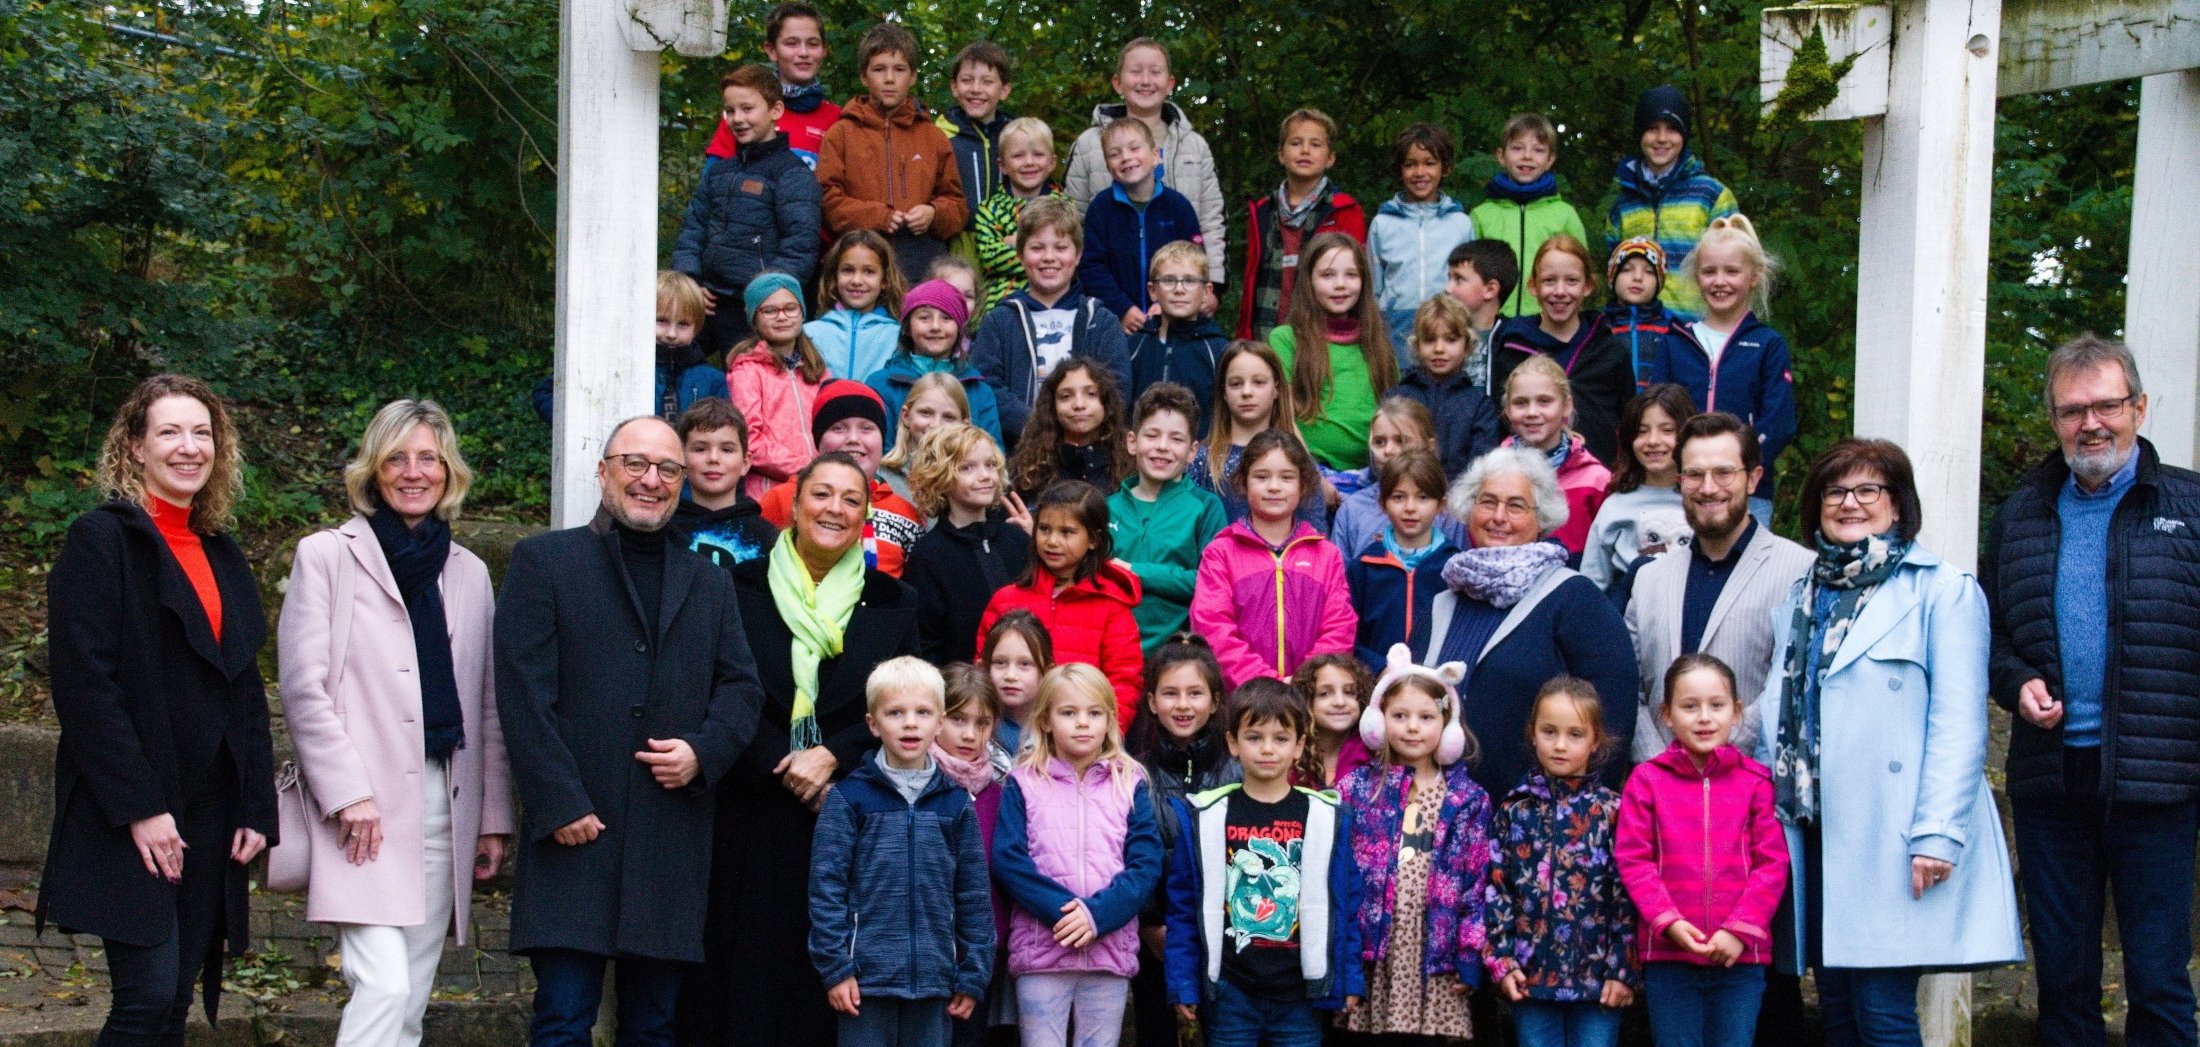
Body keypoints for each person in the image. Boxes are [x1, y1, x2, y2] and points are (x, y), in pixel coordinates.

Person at [495, 415, 764, 1046]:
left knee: (655, 1026)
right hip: (573, 833)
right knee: (563, 1019)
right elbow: (521, 692)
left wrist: (703, 751)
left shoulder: (710, 580)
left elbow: (742, 687)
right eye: (635, 464)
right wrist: (559, 801)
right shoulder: (544, 561)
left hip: (668, 833)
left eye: (668, 469)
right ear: (604, 471)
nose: (651, 480)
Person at [1759, 438, 2024, 1046]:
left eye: (1867, 490)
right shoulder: (1802, 595)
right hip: (1816, 829)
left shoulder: (1945, 590)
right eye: (1834, 491)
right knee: (1840, 1012)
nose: (1849, 503)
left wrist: (1937, 832)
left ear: (1898, 504)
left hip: (1894, 830)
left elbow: (1959, 723)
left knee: (1882, 1011)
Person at [41, 374, 277, 1045]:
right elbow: (86, 688)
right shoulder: (99, 541)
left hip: (211, 812)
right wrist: (142, 808)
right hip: (133, 809)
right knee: (145, 998)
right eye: (169, 431)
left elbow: (244, 692)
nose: (188, 447)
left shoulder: (223, 552)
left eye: (202, 432)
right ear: (135, 448)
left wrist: (258, 803)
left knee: (174, 1000)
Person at [1984, 333, 2200, 1047]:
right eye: (2072, 410)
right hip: (2052, 782)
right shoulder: (2020, 514)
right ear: (2053, 420)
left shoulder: (2191, 508)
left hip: (2158, 779)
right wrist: (2016, 683)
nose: (2091, 423)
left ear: (2138, 406)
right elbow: (1992, 639)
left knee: (2161, 982)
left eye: (2106, 404)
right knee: (2065, 982)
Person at [279, 399, 512, 1047]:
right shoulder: (327, 555)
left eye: (428, 458)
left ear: (449, 470)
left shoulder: (469, 572)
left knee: (407, 998)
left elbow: (486, 704)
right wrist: (346, 792)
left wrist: (492, 814)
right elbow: (304, 688)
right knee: (381, 984)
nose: (414, 472)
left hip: (445, 808)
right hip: (360, 811)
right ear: (373, 469)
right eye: (397, 458)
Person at [685, 451, 922, 1047]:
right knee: (740, 973)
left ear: (866, 515)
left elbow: (905, 700)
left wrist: (833, 758)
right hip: (749, 804)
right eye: (822, 494)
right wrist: (787, 765)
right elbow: (715, 688)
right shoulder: (736, 587)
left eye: (850, 499)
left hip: (845, 811)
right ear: (794, 502)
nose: (834, 509)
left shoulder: (896, 603)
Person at [1161, 677, 1366, 1045]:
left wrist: (1349, 978)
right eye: (1254, 737)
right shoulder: (1207, 817)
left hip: (1299, 994)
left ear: (1300, 746)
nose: (1267, 749)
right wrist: (1183, 983)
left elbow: (1346, 905)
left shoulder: (1324, 816)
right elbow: (1183, 909)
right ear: (1233, 743)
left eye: (1281, 738)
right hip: (1230, 991)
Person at [1424, 444, 1636, 795]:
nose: (1498, 517)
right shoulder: (1442, 603)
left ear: (1543, 518)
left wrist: (1579, 812)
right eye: (1487, 502)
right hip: (1441, 819)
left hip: (1534, 828)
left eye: (1516, 505)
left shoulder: (1575, 599)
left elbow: (1613, 715)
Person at [808, 657, 994, 1047]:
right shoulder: (849, 799)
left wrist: (974, 972)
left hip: (935, 982)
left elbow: (974, 894)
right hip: (864, 984)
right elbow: (826, 888)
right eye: (895, 713)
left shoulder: (956, 804)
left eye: (923, 712)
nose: (910, 723)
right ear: (873, 724)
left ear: (939, 722)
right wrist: (836, 967)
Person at [1615, 654, 1789, 1047]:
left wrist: (1739, 931)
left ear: (1737, 713)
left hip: (1740, 959)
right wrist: (1669, 923)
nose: (1704, 717)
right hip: (1669, 958)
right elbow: (1634, 860)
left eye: (1717, 705)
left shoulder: (1756, 783)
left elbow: (1772, 865)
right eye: (1689, 706)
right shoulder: (1646, 782)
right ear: (1667, 715)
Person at [989, 663, 1166, 1047]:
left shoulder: (1129, 781)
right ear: (1047, 720)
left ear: (1110, 720)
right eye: (1069, 713)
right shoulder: (1023, 782)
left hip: (1108, 953)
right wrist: (1066, 912)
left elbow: (1145, 862)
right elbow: (1009, 859)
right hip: (1043, 952)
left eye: (1094, 713)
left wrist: (1098, 915)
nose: (1082, 723)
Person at [1626, 411, 1810, 761]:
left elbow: (1785, 686)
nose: (1708, 488)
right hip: (1658, 795)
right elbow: (1628, 685)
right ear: (1680, 481)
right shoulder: (1648, 579)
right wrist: (1662, 768)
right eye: (1695, 474)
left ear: (1753, 479)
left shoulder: (1798, 570)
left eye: (1724, 472)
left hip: (1751, 792)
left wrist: (1713, 759)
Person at [1335, 645, 1493, 1041]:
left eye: (1426, 717)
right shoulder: (1354, 790)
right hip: (1373, 954)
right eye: (1400, 716)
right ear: (1378, 721)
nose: (1412, 727)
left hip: (1435, 956)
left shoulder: (1467, 800)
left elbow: (1476, 885)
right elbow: (1336, 878)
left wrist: (1470, 954)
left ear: (1447, 724)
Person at [1484, 678, 1637, 1047]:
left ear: (1595, 740)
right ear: (1533, 734)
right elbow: (1496, 890)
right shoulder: (1513, 810)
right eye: (1549, 731)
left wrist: (1622, 970)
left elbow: (1627, 897)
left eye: (1575, 734)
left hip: (1597, 981)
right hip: (1531, 978)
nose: (1560, 744)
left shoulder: (1612, 811)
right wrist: (1502, 961)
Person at [1126, 638, 1237, 1047]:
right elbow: (1129, 857)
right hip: (1158, 937)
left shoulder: (1239, 772)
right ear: (1152, 702)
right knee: (1155, 1032)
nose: (1183, 705)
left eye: (1195, 693)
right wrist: (1150, 924)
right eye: (1170, 693)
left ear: (1214, 700)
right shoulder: (1133, 775)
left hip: (1228, 939)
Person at [1651, 214, 1796, 524]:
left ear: (1753, 276)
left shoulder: (1768, 344)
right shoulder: (1675, 342)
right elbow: (1658, 417)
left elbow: (1779, 421)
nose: (1719, 281)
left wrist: (1738, 470)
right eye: (1709, 272)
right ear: (1695, 277)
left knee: (1744, 568)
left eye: (1732, 271)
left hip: (1748, 494)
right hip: (1682, 490)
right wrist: (1680, 468)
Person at [672, 64, 822, 355]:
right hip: (708, 302)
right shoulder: (719, 172)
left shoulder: (793, 175)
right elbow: (693, 229)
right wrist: (690, 282)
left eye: (747, 109)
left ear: (776, 110)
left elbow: (800, 248)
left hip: (756, 310)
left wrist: (766, 297)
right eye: (730, 111)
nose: (737, 119)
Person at [1190, 429, 1357, 690]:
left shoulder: (1326, 555)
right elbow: (1213, 628)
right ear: (1243, 484)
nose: (1274, 486)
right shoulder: (1221, 553)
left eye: (1286, 477)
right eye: (1261, 476)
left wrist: (1304, 682)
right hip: (1242, 700)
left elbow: (1339, 627)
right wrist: (1265, 683)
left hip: (1307, 699)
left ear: (1303, 487)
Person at [1063, 38, 1227, 302]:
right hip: (1110, 296)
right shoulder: (1089, 144)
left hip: (1182, 293)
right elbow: (1071, 220)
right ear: (1117, 83)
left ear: (1170, 83)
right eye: (1135, 71)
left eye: (1155, 72)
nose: (1146, 80)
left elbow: (1211, 220)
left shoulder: (1194, 146)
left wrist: (1213, 284)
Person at [975, 481, 1145, 726]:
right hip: (1008, 734)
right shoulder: (1006, 599)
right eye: (1044, 529)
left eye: (1066, 532)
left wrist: (1107, 739)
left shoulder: (1112, 606)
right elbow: (983, 669)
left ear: (1094, 539)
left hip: (1082, 736)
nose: (1052, 541)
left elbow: (1124, 682)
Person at [967, 197, 1133, 443]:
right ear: (1021, 255)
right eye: (1037, 248)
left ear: (1078, 255)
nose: (1049, 257)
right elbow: (986, 385)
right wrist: (1037, 425)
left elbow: (1118, 388)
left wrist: (1074, 424)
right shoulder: (1000, 320)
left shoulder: (1101, 321)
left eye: (1060, 247)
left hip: (1088, 453)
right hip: (1018, 452)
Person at [818, 22, 967, 283]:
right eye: (879, 69)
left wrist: (933, 214)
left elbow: (956, 205)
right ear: (864, 77)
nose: (889, 79)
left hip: (921, 259)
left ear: (912, 77)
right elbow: (828, 201)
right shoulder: (841, 133)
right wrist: (879, 216)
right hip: (859, 258)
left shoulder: (933, 137)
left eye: (899, 70)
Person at [757, 380, 927, 577]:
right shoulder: (781, 499)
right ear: (818, 441)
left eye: (866, 428)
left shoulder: (906, 511)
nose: (853, 439)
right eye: (839, 428)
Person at [1107, 383, 1229, 655]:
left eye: (1176, 439)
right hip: (1114, 652)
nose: (1162, 447)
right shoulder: (1108, 508)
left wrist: (1135, 571)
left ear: (1192, 450)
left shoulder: (1206, 507)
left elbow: (1212, 583)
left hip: (1179, 656)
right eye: (1151, 435)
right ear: (1132, 442)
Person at [1490, 235, 1635, 464]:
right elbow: (1498, 421)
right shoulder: (1511, 349)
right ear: (1533, 286)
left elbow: (1628, 422)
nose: (1560, 291)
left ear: (1588, 286)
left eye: (1571, 281)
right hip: (1525, 478)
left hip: (1595, 480)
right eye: (1549, 281)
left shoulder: (1610, 350)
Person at [932, 663, 1017, 1047]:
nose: (969, 734)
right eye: (957, 719)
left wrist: (983, 957)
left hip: (980, 960)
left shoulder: (1000, 794)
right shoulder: (916, 785)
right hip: (921, 957)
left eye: (982, 723)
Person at [1268, 231, 1398, 471]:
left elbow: (1395, 413)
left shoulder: (1377, 341)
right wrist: (1311, 477)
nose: (1340, 284)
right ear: (1309, 281)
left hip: (1374, 471)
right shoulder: (1286, 339)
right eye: (1327, 275)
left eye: (1351, 275)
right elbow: (1282, 416)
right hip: (1309, 468)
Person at [1606, 84, 1739, 315]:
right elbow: (1613, 278)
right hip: (1637, 333)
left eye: (1672, 129)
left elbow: (1734, 270)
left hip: (1696, 332)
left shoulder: (1712, 196)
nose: (1661, 138)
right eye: (1652, 128)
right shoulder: (1622, 206)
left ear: (1684, 135)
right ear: (1640, 134)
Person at [904, 423, 1030, 665]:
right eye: (967, 468)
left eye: (990, 465)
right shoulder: (930, 555)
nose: (985, 475)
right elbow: (927, 643)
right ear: (940, 477)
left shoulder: (1016, 540)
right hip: (964, 692)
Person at [1239, 109, 1366, 339]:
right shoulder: (1262, 211)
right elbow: (1251, 282)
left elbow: (1356, 280)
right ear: (1280, 154)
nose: (1305, 150)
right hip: (1265, 334)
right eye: (1295, 143)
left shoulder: (1346, 211)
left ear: (1330, 158)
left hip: (1321, 337)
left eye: (1315, 144)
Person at [1079, 119, 1204, 335]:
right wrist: (1122, 308)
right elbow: (1092, 267)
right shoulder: (1100, 209)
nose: (1126, 157)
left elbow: (1195, 261)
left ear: (1156, 156)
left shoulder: (1177, 206)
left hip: (1173, 320)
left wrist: (1165, 303)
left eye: (1134, 148)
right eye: (1115, 154)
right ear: (1108, 166)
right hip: (1117, 324)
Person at [1189, 341, 1323, 528]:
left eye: (1258, 382)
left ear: (1276, 388)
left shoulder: (1297, 458)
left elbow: (1316, 534)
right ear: (1224, 392)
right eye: (1236, 384)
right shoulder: (1203, 459)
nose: (1246, 392)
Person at [1369, 122, 1476, 355]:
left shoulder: (1460, 223)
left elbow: (1470, 284)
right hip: (1396, 329)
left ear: (1444, 168)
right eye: (1410, 165)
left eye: (1429, 163)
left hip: (1447, 327)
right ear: (1400, 170)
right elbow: (1374, 287)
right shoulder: (1382, 224)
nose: (1420, 173)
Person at [1469, 112, 1590, 319]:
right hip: (1493, 323)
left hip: (1548, 321)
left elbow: (1580, 272)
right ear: (1501, 156)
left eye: (1538, 150)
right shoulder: (1481, 215)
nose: (1527, 156)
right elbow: (1468, 275)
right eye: (1517, 148)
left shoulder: (1564, 215)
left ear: (1550, 159)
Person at [1345, 450, 1456, 669]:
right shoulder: (1365, 566)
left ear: (1441, 505)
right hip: (1378, 684)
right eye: (1398, 497)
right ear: (1382, 504)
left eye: (1423, 497)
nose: (1410, 507)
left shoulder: (1453, 566)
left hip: (1434, 685)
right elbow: (1348, 636)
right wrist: (1379, 667)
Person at [1580, 383, 1695, 591]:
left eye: (1667, 430)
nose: (1652, 441)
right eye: (1642, 432)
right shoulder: (1615, 506)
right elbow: (1593, 583)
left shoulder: (1703, 500)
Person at [727, 271, 829, 500]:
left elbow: (832, 426)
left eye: (790, 308)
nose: (782, 317)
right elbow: (749, 438)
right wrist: (806, 467)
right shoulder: (747, 371)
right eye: (770, 310)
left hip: (819, 488)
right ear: (754, 318)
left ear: (802, 313)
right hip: (769, 492)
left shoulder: (818, 371)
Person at [1326, 396, 1467, 561]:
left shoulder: (1449, 511)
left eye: (1400, 441)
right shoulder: (1353, 509)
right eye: (1379, 442)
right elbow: (1339, 578)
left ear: (1429, 446)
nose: (1388, 451)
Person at [1500, 355, 1611, 559]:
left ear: (1566, 405)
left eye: (1544, 401)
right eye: (1521, 403)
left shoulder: (1596, 480)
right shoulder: (1493, 474)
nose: (1532, 412)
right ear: (1508, 410)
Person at [869, 278, 1002, 448]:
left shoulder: (979, 392)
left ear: (959, 328)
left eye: (946, 318)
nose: (935, 326)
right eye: (924, 318)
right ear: (908, 327)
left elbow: (992, 454)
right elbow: (879, 451)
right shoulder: (881, 385)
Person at [703, 3, 838, 171]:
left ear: (824, 50)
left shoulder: (838, 120)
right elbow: (709, 184)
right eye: (791, 43)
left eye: (813, 43)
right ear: (771, 50)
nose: (804, 52)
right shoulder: (742, 114)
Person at [1391, 293, 1503, 480]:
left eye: (1450, 340)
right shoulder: (1397, 399)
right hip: (1404, 494)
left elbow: (1482, 468)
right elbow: (1382, 456)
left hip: (1457, 501)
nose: (1439, 349)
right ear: (1417, 346)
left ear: (1467, 346)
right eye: (1429, 340)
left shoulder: (1480, 406)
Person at [1126, 241, 1230, 430]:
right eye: (1168, 280)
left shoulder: (1219, 351)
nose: (1179, 289)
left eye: (1190, 281)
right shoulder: (1133, 346)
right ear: (1152, 291)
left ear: (1207, 291)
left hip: (1199, 456)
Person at [670, 397, 780, 570]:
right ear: (681, 459)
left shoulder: (769, 538)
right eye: (700, 449)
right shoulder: (666, 529)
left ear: (745, 463)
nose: (713, 458)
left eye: (727, 450)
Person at [974, 117, 1070, 311]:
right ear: (1002, 165)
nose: (1029, 162)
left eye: (1038, 155)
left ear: (1052, 162)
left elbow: (1070, 255)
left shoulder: (1065, 206)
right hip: (1002, 304)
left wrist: (1017, 243)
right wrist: (1045, 251)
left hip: (1057, 302)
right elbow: (989, 258)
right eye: (1018, 156)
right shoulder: (990, 209)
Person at [1005, 359, 1134, 503]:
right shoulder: (1029, 471)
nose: (1079, 405)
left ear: (1106, 403)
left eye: (1091, 394)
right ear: (1052, 408)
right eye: (1066, 397)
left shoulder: (1128, 468)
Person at [934, 41, 1015, 243]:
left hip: (1008, 241)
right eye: (967, 80)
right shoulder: (940, 135)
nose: (976, 89)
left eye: (987, 82)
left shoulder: (1016, 135)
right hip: (957, 241)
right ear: (954, 87)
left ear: (1004, 90)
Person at [807, 229, 909, 385]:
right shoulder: (810, 334)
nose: (856, 280)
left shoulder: (898, 337)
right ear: (835, 276)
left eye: (869, 272)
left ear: (884, 281)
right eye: (848, 270)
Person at [1601, 237, 1686, 391]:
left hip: (1657, 411)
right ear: (1613, 278)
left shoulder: (1672, 329)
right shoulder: (1599, 328)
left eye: (1648, 271)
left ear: (1659, 282)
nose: (1638, 277)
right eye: (1627, 269)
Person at [1445, 239, 1519, 392]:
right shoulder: (1442, 336)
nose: (1447, 288)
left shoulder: (1514, 340)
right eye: (1449, 278)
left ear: (1490, 289)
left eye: (1459, 279)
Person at [1293, 653, 1374, 788]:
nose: (1340, 702)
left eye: (1349, 692)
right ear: (1306, 701)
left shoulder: (1374, 755)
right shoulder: (1291, 757)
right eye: (1324, 693)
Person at [983, 610, 1055, 756]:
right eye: (1000, 663)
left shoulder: (1058, 732)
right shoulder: (974, 729)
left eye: (1024, 664)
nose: (1010, 676)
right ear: (984, 668)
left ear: (1048, 672)